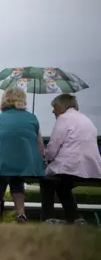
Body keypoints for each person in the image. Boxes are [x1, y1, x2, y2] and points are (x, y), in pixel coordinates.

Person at [41, 94, 101, 225]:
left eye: (54, 107)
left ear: (62, 106)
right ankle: (76, 218)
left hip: (70, 166)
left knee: (47, 181)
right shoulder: (86, 120)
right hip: (91, 168)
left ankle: (48, 218)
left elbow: (53, 146)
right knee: (63, 186)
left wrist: (46, 159)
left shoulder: (63, 119)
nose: (53, 111)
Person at [0, 87, 45, 223]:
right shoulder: (32, 118)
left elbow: (1, 140)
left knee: (1, 179)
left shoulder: (0, 118)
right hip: (25, 164)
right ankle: (21, 214)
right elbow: (40, 144)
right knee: (17, 179)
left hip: (2, 163)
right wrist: (41, 161)